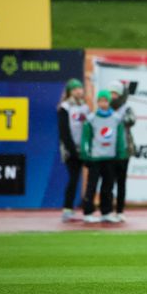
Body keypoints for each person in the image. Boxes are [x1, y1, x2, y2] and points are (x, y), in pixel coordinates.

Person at [81, 90, 127, 224]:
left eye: (105, 101)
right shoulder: (91, 118)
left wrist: (120, 154)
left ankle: (106, 211)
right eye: (100, 101)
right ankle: (88, 212)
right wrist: (86, 155)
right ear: (97, 102)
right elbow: (86, 138)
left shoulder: (116, 118)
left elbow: (120, 138)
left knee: (108, 186)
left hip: (110, 158)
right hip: (95, 158)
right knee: (92, 186)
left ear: (109, 102)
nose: (103, 103)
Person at [57, 78, 90, 222]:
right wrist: (72, 149)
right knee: (74, 178)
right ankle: (67, 209)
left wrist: (87, 147)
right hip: (71, 149)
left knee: (91, 178)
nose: (79, 91)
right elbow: (64, 132)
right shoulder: (64, 107)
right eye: (75, 89)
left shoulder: (85, 107)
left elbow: (88, 128)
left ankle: (88, 209)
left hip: (84, 148)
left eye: (80, 88)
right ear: (70, 91)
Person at [108, 80, 136, 223]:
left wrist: (119, 118)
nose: (113, 96)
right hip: (108, 151)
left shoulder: (126, 108)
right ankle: (106, 210)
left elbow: (132, 120)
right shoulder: (106, 107)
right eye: (111, 93)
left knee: (121, 182)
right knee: (108, 182)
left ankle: (120, 210)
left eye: (116, 93)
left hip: (124, 151)